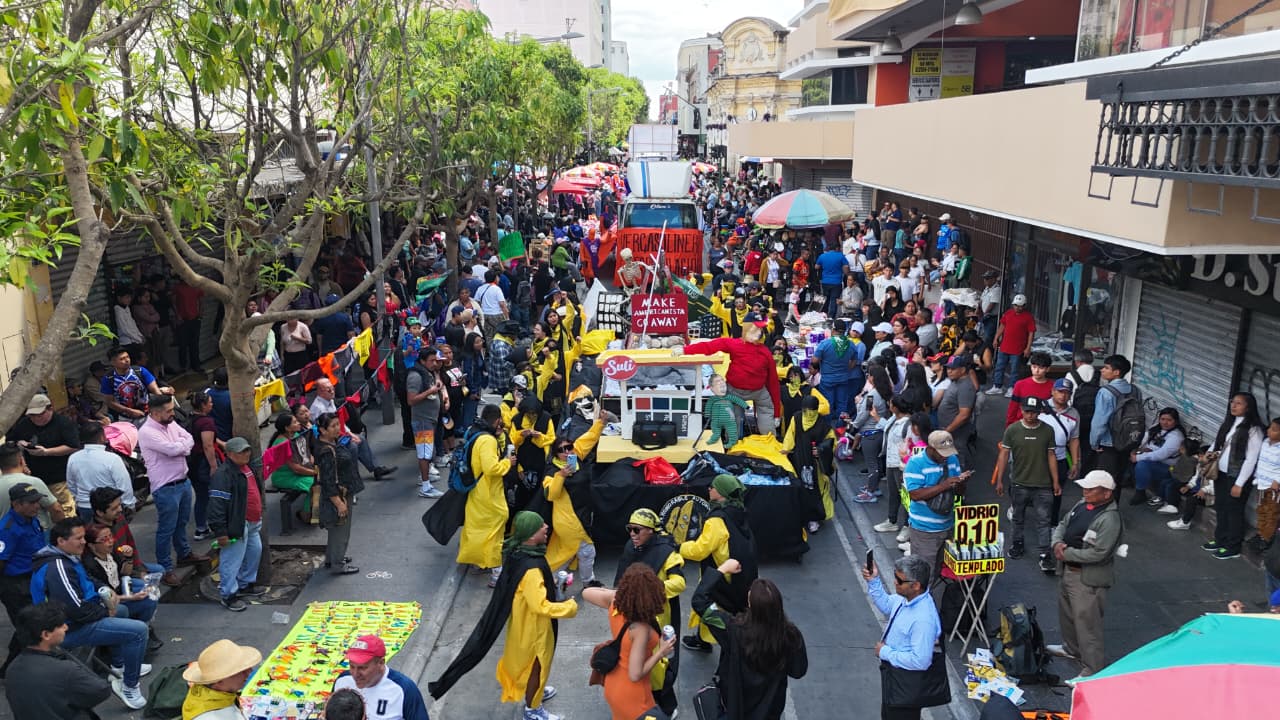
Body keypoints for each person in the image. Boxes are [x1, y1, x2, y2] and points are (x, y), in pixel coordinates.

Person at [429, 512, 578, 720]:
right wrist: (569, 607)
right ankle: (533, 709)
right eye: (540, 526)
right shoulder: (532, 569)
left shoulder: (518, 554)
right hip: (534, 630)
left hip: (521, 625)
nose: (546, 526)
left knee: (531, 666)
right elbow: (540, 606)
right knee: (537, 666)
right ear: (530, 535)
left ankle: (535, 691)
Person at [30, 518, 151, 709]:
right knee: (138, 631)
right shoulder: (57, 567)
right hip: (65, 629)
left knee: (122, 610)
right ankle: (129, 686)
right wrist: (105, 611)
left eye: (84, 537)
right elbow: (75, 609)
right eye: (78, 538)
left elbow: (87, 580)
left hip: (77, 618)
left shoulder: (67, 557)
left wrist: (106, 590)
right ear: (61, 541)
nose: (84, 542)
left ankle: (119, 665)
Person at [692, 559, 807, 720]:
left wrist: (722, 569)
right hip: (769, 712)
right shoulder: (791, 636)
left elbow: (700, 602)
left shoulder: (732, 629)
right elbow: (798, 671)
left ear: (750, 604)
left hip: (734, 707)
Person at [1047, 470, 1124, 682]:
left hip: (1087, 578)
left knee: (1088, 625)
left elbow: (1100, 553)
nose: (1085, 492)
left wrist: (1066, 553)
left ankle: (1093, 668)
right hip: (1069, 570)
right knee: (1067, 614)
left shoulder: (1110, 519)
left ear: (1106, 493)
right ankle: (1071, 648)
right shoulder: (1082, 504)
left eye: (1091, 489)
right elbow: (1063, 524)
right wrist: (1057, 542)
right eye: (1085, 488)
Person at [613, 508, 686, 716]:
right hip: (633, 617)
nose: (632, 534)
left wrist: (650, 589)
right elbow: (620, 579)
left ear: (651, 531)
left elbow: (679, 583)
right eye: (629, 529)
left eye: (637, 530)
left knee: (660, 665)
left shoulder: (667, 552)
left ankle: (666, 706)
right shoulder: (631, 547)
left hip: (658, 618)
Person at [582, 564, 678, 720]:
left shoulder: (615, 601)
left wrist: (620, 593)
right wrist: (661, 651)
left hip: (613, 682)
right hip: (635, 696)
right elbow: (635, 674)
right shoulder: (641, 629)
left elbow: (586, 592)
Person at [680, 474, 758, 652]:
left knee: (711, 606)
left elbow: (699, 551)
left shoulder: (717, 520)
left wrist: (678, 547)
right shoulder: (739, 511)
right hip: (741, 576)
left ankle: (724, 647)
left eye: (713, 487)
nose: (709, 488)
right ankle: (701, 639)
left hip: (723, 576)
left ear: (721, 493)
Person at [137, 394, 207, 585]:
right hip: (166, 487)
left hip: (183, 482)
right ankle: (165, 568)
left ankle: (184, 553)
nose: (173, 413)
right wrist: (182, 447)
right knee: (166, 529)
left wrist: (181, 447)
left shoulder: (170, 423)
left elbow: (188, 438)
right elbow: (173, 450)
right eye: (168, 411)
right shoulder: (147, 432)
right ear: (155, 413)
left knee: (181, 523)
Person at [863, 555, 943, 720]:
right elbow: (887, 605)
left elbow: (921, 661)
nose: (895, 582)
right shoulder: (906, 598)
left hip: (905, 684)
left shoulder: (923, 620)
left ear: (916, 585)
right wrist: (874, 581)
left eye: (899, 581)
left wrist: (885, 652)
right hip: (894, 676)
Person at [5, 602, 111, 720]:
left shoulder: (12, 668)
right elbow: (102, 690)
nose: (66, 627)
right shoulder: (65, 670)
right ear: (46, 634)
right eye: (61, 625)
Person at [681, 318, 782, 435]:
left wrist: (685, 350)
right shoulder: (765, 352)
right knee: (765, 413)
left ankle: (734, 441)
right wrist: (776, 414)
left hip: (736, 390)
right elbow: (773, 383)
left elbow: (709, 346)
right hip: (756, 391)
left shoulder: (735, 344)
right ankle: (769, 439)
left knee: (733, 420)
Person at [993, 397, 1060, 573]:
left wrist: (1055, 481)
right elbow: (1004, 454)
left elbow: (1051, 456)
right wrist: (999, 479)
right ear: (1022, 411)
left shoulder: (1048, 430)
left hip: (1043, 485)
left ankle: (1045, 553)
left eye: (1034, 412)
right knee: (1017, 517)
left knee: (1044, 520)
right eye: (1027, 411)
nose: (1030, 415)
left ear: (1040, 412)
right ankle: (1017, 543)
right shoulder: (1012, 430)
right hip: (1019, 483)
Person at [1202, 392, 1265, 561]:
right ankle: (1220, 539)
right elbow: (1217, 442)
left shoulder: (1254, 430)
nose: (1234, 406)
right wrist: (1208, 454)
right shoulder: (1229, 423)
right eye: (1233, 402)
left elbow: (1251, 459)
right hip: (1221, 473)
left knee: (1234, 511)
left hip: (1237, 477)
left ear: (1248, 407)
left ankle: (1233, 546)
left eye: (1239, 403)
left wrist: (1239, 483)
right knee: (1221, 506)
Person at [456, 404, 514, 585]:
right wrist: (508, 462)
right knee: (496, 529)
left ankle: (477, 561)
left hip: (475, 489)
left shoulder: (473, 431)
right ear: (497, 420)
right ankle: (496, 571)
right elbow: (491, 468)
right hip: (489, 492)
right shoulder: (488, 440)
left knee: (476, 528)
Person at [207, 437, 265, 612]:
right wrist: (221, 531)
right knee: (231, 560)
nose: (246, 454)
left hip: (253, 522)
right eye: (241, 451)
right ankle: (228, 595)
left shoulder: (247, 468)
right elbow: (217, 504)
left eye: (247, 450)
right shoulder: (223, 475)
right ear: (230, 454)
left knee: (255, 551)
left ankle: (246, 584)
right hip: (238, 524)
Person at [904, 431, 968, 582]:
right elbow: (915, 494)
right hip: (924, 531)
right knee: (922, 576)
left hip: (947, 525)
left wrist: (961, 482)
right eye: (941, 453)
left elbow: (959, 492)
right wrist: (944, 485)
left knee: (940, 571)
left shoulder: (952, 459)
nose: (945, 457)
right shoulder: (916, 463)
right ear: (931, 448)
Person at [0, 484, 49, 674]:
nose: (37, 506)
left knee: (30, 623)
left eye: (37, 501)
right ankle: (11, 667)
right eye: (31, 503)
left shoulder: (32, 520)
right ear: (16, 504)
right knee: (29, 624)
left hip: (34, 578)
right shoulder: (7, 529)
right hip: (15, 584)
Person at [7, 393, 79, 517]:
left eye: (40, 415)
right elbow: (11, 440)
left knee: (63, 509)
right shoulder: (24, 424)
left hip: (58, 477)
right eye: (32, 416)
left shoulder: (63, 423)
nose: (36, 419)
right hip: (33, 477)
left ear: (50, 409)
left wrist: (47, 452)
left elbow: (73, 446)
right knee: (38, 513)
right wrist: (20, 443)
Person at [309, 378, 396, 480]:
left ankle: (376, 468)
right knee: (352, 446)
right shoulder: (318, 408)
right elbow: (325, 431)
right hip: (328, 440)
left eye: (332, 388)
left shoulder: (330, 401)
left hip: (337, 434)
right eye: (328, 390)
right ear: (320, 392)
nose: (332, 391)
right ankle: (352, 476)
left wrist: (350, 434)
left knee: (360, 439)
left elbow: (338, 423)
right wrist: (347, 437)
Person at [332, 634, 430, 720]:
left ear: (381, 663)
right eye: (352, 666)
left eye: (362, 668)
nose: (355, 674)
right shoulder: (342, 681)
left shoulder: (404, 689)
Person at [314, 413, 363, 575]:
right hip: (338, 494)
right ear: (323, 430)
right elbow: (328, 480)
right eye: (333, 426)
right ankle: (338, 563)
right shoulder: (326, 451)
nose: (337, 428)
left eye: (337, 424)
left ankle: (332, 557)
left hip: (342, 491)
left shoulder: (331, 443)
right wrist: (339, 503)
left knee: (336, 528)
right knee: (341, 530)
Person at [783, 395, 837, 533]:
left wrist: (820, 450)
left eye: (811, 411)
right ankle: (801, 516)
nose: (808, 414)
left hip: (815, 465)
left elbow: (831, 443)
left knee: (815, 490)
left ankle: (814, 518)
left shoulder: (823, 426)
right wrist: (785, 451)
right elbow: (790, 435)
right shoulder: (796, 418)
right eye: (806, 410)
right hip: (798, 459)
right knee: (799, 488)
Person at [66, 423, 136, 522]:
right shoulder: (112, 458)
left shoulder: (73, 458)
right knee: (114, 531)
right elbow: (124, 484)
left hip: (85, 507)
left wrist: (80, 499)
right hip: (109, 508)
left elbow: (71, 485)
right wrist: (129, 504)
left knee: (92, 532)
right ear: (102, 437)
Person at [181, 639, 263, 720]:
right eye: (240, 671)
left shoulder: (202, 690)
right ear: (217, 681)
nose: (249, 672)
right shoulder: (215, 716)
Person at [406, 349, 447, 499]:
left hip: (429, 420)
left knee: (427, 452)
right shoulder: (415, 376)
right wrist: (431, 391)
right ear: (423, 361)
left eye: (436, 360)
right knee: (424, 454)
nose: (435, 363)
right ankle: (425, 486)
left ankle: (426, 478)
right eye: (432, 361)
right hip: (422, 421)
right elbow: (411, 400)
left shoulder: (427, 372)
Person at [1089, 354, 1136, 482]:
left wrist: (1094, 443)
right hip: (1128, 440)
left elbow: (1099, 422)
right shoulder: (1135, 390)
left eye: (1106, 368)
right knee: (1118, 479)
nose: (1102, 370)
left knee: (1105, 480)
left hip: (1109, 442)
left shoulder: (1106, 392)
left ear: (1116, 372)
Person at [268, 412, 319, 527]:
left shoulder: (296, 435)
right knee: (315, 483)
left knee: (319, 481)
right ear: (287, 428)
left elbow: (306, 453)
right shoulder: (282, 444)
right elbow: (296, 468)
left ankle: (311, 512)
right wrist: (315, 472)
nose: (298, 423)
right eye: (295, 422)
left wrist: (313, 463)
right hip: (285, 476)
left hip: (299, 471)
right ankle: (306, 514)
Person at [0, 442, 66, 529]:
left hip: (5, 533)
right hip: (37, 532)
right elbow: (56, 509)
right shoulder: (33, 482)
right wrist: (61, 529)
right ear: (21, 460)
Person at [1129, 408, 1186, 508]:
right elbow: (1144, 440)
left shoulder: (1176, 437)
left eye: (1169, 420)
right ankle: (1130, 479)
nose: (1165, 422)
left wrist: (1138, 457)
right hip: (1153, 460)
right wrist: (1136, 450)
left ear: (1175, 421)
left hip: (1168, 468)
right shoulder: (1156, 428)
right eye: (1162, 419)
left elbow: (1161, 455)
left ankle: (1140, 492)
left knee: (1142, 464)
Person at [812, 318, 865, 423]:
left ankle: (827, 426)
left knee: (827, 403)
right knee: (842, 404)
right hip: (844, 378)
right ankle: (842, 426)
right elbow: (855, 361)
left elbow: (814, 360)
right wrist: (846, 369)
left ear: (833, 329)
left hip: (827, 379)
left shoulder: (825, 344)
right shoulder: (851, 344)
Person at [101, 346, 173, 421]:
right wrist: (129, 411)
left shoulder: (140, 371)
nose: (127, 360)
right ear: (113, 362)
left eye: (127, 357)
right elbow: (109, 402)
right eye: (122, 359)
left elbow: (154, 389)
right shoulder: (108, 379)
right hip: (126, 418)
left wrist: (163, 404)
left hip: (149, 413)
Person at [986, 294, 1035, 397]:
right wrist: (996, 338)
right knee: (999, 367)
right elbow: (1002, 326)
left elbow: (1031, 333)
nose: (1017, 308)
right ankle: (997, 386)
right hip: (1004, 346)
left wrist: (1028, 348)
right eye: (1016, 305)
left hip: (1018, 349)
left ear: (1024, 306)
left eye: (1020, 306)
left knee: (1014, 370)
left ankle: (1011, 388)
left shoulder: (1028, 317)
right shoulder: (1008, 313)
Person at [935, 356, 977, 471]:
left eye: (953, 369)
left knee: (958, 454)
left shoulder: (965, 387)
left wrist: (947, 430)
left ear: (962, 370)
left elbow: (964, 415)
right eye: (948, 368)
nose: (949, 371)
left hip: (956, 431)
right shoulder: (956, 381)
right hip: (949, 429)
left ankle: (962, 476)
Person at [1003, 352, 1055, 427]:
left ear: (1047, 369)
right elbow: (1013, 407)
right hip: (1020, 424)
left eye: (1041, 368)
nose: (1037, 370)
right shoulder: (1020, 384)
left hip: (1042, 425)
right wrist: (1009, 424)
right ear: (1031, 367)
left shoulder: (1053, 387)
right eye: (1034, 367)